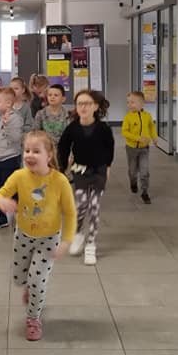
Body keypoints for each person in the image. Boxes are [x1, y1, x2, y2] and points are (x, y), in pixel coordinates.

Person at [0, 131, 76, 341]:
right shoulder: (19, 176)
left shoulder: (60, 181)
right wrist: (0, 201)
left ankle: (33, 319)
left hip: (49, 240)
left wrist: (67, 241)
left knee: (38, 281)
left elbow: (70, 213)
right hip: (23, 236)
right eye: (27, 150)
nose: (29, 155)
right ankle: (29, 287)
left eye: (36, 151)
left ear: (49, 155)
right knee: (19, 278)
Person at [57, 89, 115, 266]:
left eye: (87, 104)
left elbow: (109, 148)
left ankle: (91, 244)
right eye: (80, 104)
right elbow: (63, 147)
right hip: (79, 170)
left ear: (95, 107)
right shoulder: (72, 128)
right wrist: (62, 168)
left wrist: (108, 166)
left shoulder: (103, 129)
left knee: (95, 206)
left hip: (99, 171)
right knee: (81, 205)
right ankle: (77, 233)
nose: (83, 107)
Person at [0, 86, 24, 231]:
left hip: (11, 159)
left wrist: (7, 125)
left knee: (12, 191)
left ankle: (21, 217)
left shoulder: (16, 118)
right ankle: (2, 218)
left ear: (8, 103)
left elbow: (16, 139)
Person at [121, 90, 158, 204]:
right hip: (131, 149)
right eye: (128, 102)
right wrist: (137, 138)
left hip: (144, 149)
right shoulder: (128, 117)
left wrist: (154, 138)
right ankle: (133, 183)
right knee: (132, 171)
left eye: (133, 102)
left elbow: (151, 127)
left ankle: (144, 192)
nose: (130, 105)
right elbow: (124, 132)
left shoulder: (147, 116)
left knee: (144, 171)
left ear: (142, 104)